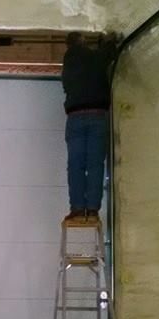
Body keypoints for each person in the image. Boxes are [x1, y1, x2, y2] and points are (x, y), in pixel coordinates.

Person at [61, 32, 118, 223]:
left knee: (75, 166)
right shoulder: (95, 57)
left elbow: (67, 86)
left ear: (69, 45)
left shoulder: (69, 60)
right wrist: (108, 42)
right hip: (97, 114)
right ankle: (92, 210)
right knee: (95, 165)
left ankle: (77, 209)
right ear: (83, 41)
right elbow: (108, 53)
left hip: (75, 115)